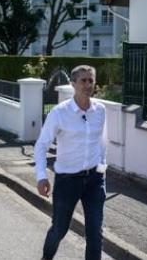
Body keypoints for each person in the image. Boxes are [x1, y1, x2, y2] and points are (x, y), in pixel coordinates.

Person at [34, 65, 107, 260]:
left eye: (91, 80)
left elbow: (102, 141)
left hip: (94, 180)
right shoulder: (59, 113)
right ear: (73, 84)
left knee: (95, 234)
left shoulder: (100, 110)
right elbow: (41, 145)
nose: (88, 84)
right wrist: (41, 177)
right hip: (67, 180)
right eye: (83, 80)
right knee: (59, 229)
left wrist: (102, 167)